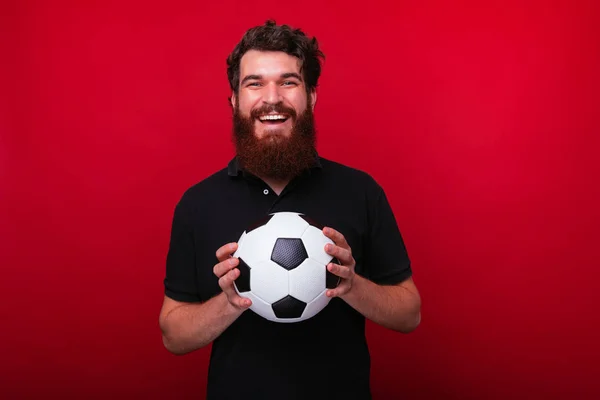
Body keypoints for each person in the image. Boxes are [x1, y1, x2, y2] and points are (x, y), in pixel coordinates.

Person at [158, 20, 421, 400]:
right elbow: (173, 335)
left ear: (311, 96)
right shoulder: (198, 203)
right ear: (234, 99)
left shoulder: (360, 191)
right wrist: (230, 302)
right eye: (254, 83)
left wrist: (352, 285)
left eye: (288, 82)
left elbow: (409, 313)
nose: (272, 98)